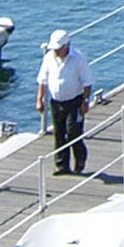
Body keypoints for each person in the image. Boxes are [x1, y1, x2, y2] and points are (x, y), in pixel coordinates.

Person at [36, 31, 95, 176]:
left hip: (75, 102)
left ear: (66, 46)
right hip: (56, 102)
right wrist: (40, 99)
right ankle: (61, 165)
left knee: (73, 132)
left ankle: (80, 160)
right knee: (59, 133)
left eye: (58, 48)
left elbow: (87, 82)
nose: (56, 51)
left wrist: (85, 101)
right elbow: (42, 80)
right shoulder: (49, 58)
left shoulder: (78, 58)